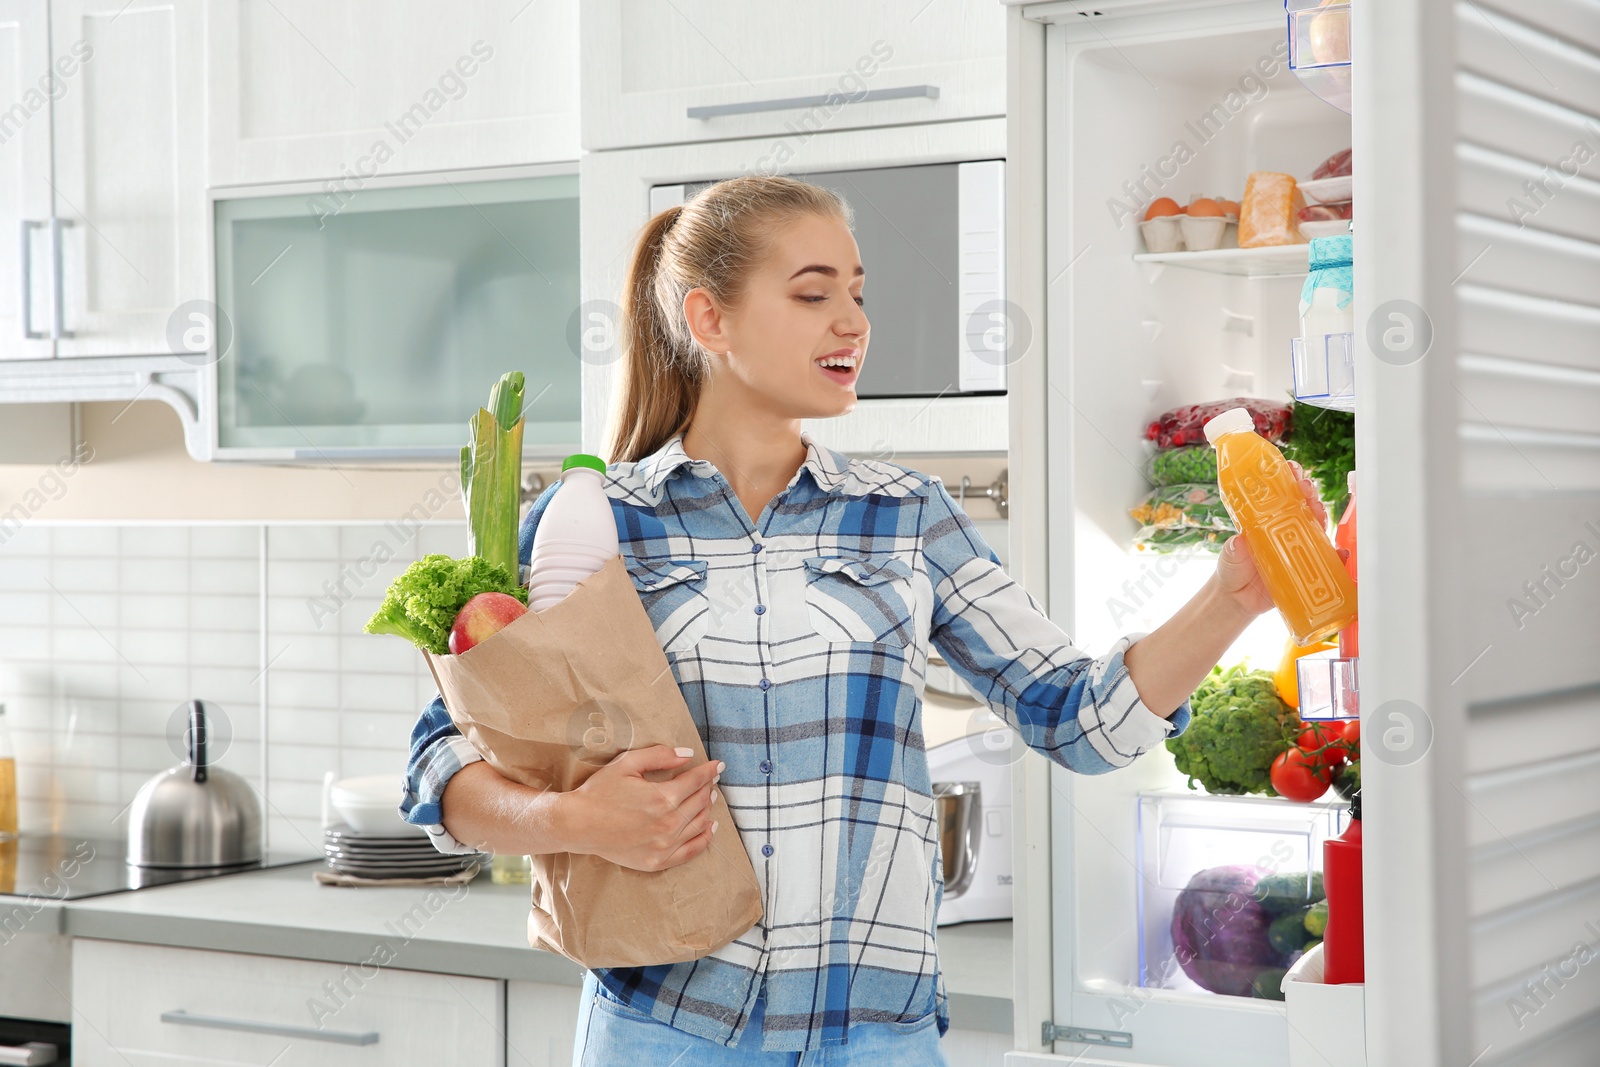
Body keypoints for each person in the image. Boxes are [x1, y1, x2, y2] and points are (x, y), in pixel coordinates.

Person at [401, 175, 1328, 1065]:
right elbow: (443, 769)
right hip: (665, 1027)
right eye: (812, 295)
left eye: (857, 293)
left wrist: (1234, 594)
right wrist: (574, 817)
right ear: (707, 318)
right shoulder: (594, 521)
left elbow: (1079, 718)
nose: (853, 322)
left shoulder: (906, 514)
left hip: (876, 1034)